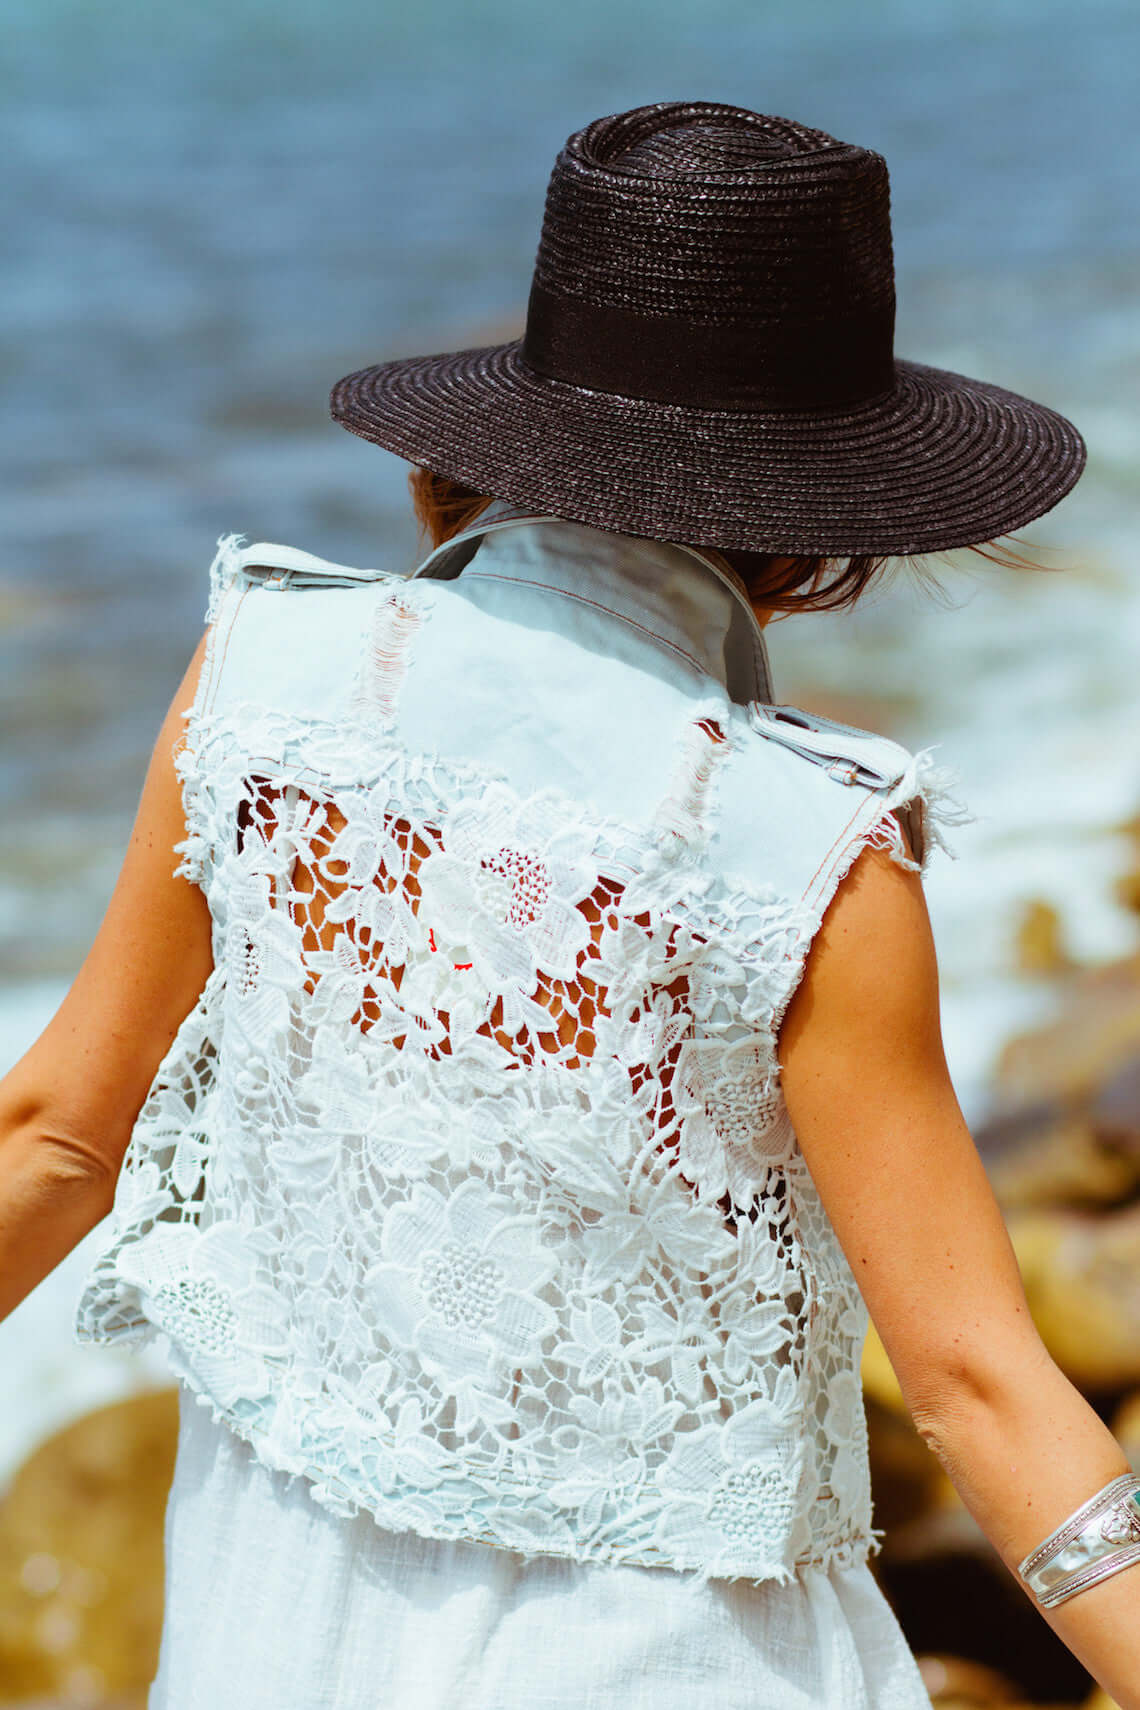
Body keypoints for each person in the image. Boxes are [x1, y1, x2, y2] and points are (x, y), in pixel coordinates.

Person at [1, 99, 1137, 1710]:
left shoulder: (260, 690)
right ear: (820, 527)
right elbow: (974, 1385)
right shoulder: (808, 854)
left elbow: (53, 1138)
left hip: (270, 1644)